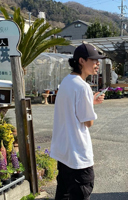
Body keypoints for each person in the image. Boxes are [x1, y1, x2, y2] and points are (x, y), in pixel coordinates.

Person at [50, 43, 106, 200]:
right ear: (81, 61)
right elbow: (88, 122)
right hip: (78, 157)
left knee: (63, 195)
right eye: (94, 60)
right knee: (81, 193)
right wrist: (90, 104)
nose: (97, 63)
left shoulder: (67, 81)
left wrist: (90, 102)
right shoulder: (83, 87)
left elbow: (71, 110)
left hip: (64, 154)